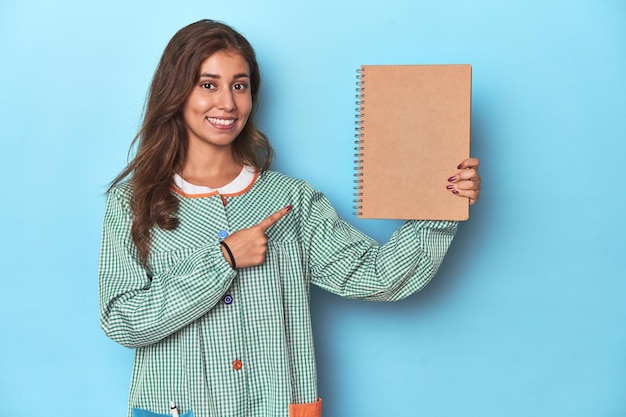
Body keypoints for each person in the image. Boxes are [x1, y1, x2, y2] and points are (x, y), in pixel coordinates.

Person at [98, 19, 481, 417]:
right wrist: (221, 260)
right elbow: (122, 322)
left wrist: (440, 205)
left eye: (240, 85)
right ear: (176, 92)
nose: (227, 103)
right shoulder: (131, 202)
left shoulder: (290, 200)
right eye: (208, 84)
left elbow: (379, 277)